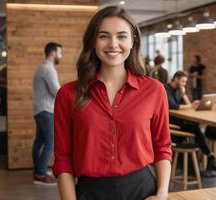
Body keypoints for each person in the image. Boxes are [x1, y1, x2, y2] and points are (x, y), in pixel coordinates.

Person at [53, 6, 172, 200]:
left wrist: (162, 194)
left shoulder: (154, 90)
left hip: (143, 190)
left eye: (122, 36)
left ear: (133, 41)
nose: (113, 44)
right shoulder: (68, 95)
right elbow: (63, 159)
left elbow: (162, 147)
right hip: (91, 192)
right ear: (93, 41)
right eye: (104, 36)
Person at [165, 70, 216, 176]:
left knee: (195, 128)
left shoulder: (177, 90)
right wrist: (190, 106)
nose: (184, 84)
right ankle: (208, 157)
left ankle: (207, 158)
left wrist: (184, 94)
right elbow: (173, 106)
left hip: (178, 123)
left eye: (185, 82)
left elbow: (187, 105)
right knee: (195, 129)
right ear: (175, 79)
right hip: (171, 127)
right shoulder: (165, 89)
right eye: (183, 82)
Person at [32, 42, 62, 185]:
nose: (60, 56)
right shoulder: (48, 69)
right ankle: (41, 174)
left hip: (39, 110)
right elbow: (57, 91)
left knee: (39, 142)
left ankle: (38, 171)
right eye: (60, 53)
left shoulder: (41, 68)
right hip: (46, 111)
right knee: (51, 142)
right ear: (53, 53)